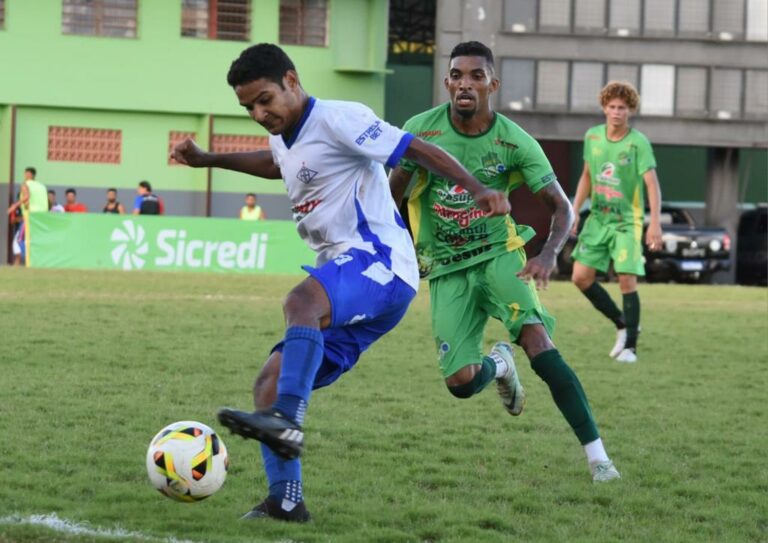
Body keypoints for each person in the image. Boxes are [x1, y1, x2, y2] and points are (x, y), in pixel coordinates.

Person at [171, 43, 510, 522]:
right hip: (355, 280)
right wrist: (208, 160)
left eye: (265, 99)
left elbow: (413, 148)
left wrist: (477, 188)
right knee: (269, 382)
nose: (258, 113)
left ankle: (287, 421)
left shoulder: (338, 117)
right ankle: (286, 501)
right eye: (248, 107)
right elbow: (276, 163)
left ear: (292, 80)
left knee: (300, 302)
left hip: (381, 263)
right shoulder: (286, 134)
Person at [389, 41, 620, 484]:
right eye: (457, 74)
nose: (465, 83)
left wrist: (549, 255)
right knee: (460, 382)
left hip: (500, 256)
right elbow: (391, 191)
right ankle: (499, 365)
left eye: (476, 76)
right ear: (447, 82)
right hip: (446, 269)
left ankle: (598, 460)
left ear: (492, 84)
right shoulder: (421, 130)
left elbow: (561, 206)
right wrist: (394, 243)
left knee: (538, 343)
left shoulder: (514, 140)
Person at [570, 81, 662, 364]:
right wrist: (574, 211)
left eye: (622, 108)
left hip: (627, 222)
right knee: (580, 277)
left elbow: (652, 185)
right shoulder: (593, 137)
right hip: (598, 219)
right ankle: (623, 324)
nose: (616, 112)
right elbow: (586, 175)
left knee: (626, 279)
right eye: (612, 107)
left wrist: (654, 222)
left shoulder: (638, 143)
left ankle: (630, 348)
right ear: (604, 108)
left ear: (630, 110)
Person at [7, 167, 48, 265]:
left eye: (25, 174)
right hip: (43, 217)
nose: (24, 176)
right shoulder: (42, 186)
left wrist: (14, 206)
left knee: (20, 240)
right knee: (36, 240)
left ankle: (30, 261)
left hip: (31, 216)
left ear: (29, 175)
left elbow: (26, 197)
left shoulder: (25, 184)